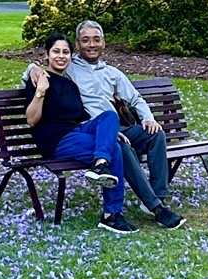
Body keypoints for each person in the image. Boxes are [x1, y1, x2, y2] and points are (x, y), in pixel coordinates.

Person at [23, 33, 176, 234]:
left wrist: (109, 132)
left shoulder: (70, 83)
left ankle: (101, 165)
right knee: (115, 149)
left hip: (77, 130)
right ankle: (111, 214)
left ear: (71, 55)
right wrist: (40, 89)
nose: (61, 56)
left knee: (109, 117)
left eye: (65, 52)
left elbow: (81, 117)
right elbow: (31, 120)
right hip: (56, 140)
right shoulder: (39, 80)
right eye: (56, 52)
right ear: (47, 55)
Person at [68, 18, 185, 228]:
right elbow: (43, 68)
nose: (92, 45)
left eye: (96, 40)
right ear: (77, 45)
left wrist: (149, 118)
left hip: (120, 128)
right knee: (122, 148)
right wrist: (32, 69)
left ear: (103, 43)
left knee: (155, 134)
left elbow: (136, 99)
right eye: (86, 40)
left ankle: (158, 195)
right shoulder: (70, 68)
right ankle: (156, 208)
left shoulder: (112, 73)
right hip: (97, 133)